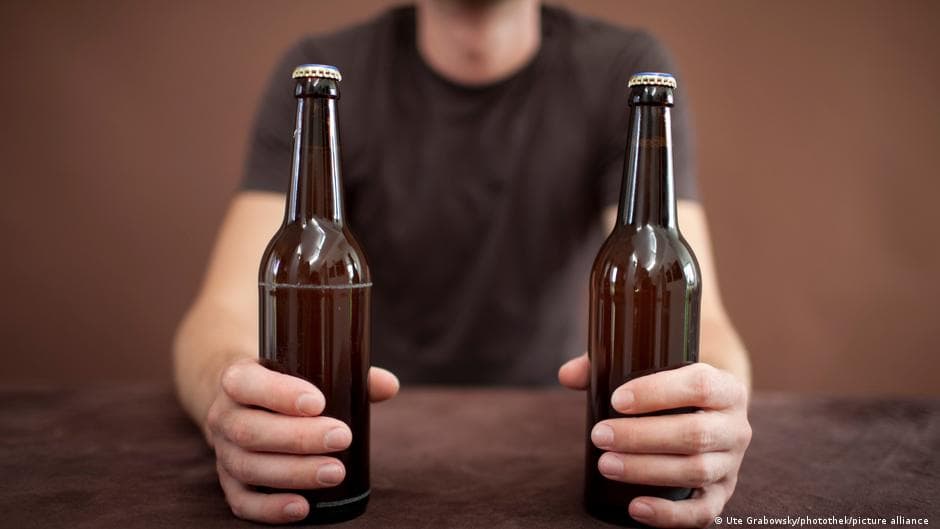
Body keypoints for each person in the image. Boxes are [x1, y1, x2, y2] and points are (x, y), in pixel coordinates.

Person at [173, 0, 752, 527]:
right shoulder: (326, 66)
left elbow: (692, 301)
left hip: (569, 426)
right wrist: (236, 413)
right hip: (366, 430)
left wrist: (714, 418)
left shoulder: (624, 66)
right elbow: (220, 313)